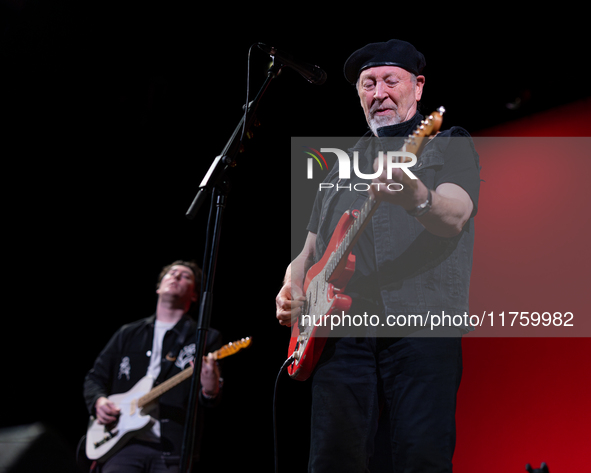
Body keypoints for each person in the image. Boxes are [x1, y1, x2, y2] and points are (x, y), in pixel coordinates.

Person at [275, 39, 481, 472]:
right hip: (341, 330)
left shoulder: (446, 143)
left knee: (420, 455)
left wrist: (416, 196)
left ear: (418, 87)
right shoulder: (340, 165)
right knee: (332, 458)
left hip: (421, 323)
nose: (378, 92)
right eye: (368, 83)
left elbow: (457, 213)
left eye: (390, 80)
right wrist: (291, 286)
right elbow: (308, 250)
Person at [83, 260, 223, 473]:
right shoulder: (128, 334)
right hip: (122, 446)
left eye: (185, 276)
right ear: (159, 287)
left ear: (194, 295)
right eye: (172, 273)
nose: (176, 277)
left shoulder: (205, 337)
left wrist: (210, 389)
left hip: (171, 449)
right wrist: (99, 402)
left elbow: (208, 401)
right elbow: (95, 378)